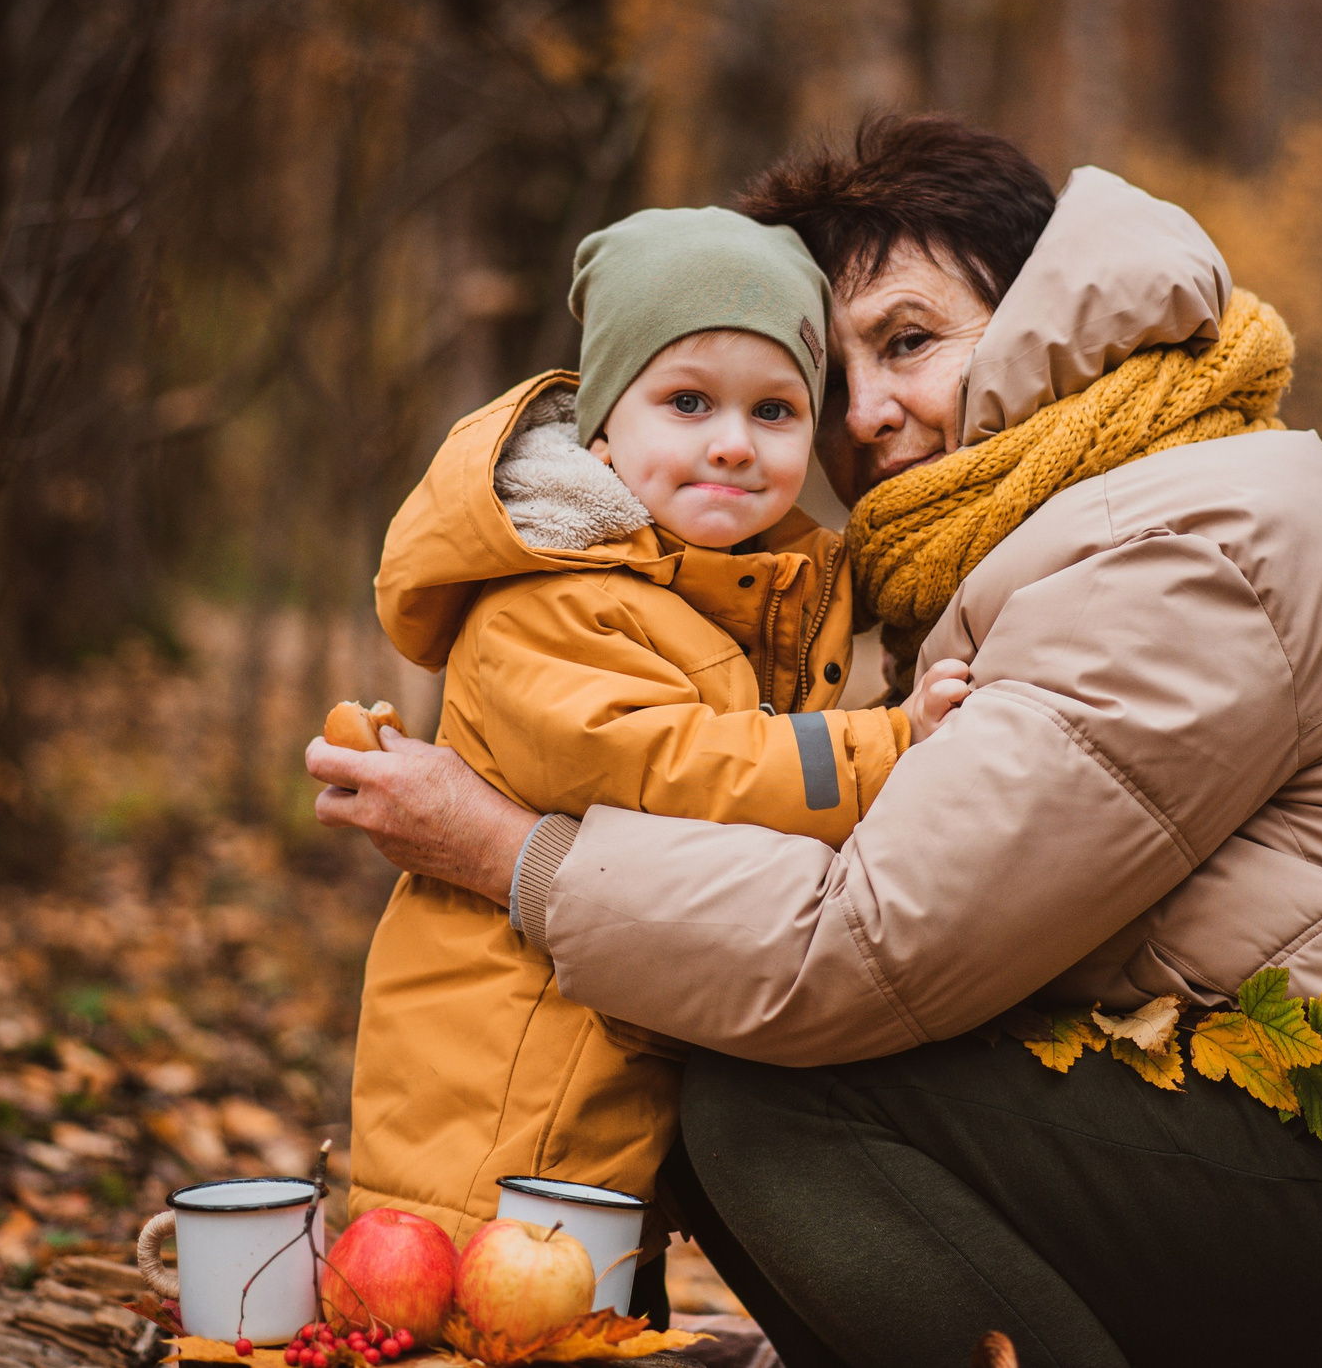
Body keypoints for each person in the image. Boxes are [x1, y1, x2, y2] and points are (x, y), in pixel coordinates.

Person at [311, 117, 1322, 1368]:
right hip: (1318, 1157)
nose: (862, 416)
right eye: (829, 374)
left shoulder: (1195, 533)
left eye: (907, 342)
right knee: (755, 1075)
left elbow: (864, 952)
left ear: (1040, 314)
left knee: (768, 1098)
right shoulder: (1024, 542)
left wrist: (517, 858)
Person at [342, 207, 971, 1303]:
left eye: (774, 409)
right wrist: (891, 746)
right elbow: (673, 765)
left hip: (613, 1071)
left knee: (581, 1310)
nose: (734, 439)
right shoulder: (552, 599)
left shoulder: (729, 583)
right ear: (600, 433)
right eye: (688, 401)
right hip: (494, 1082)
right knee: (451, 1310)